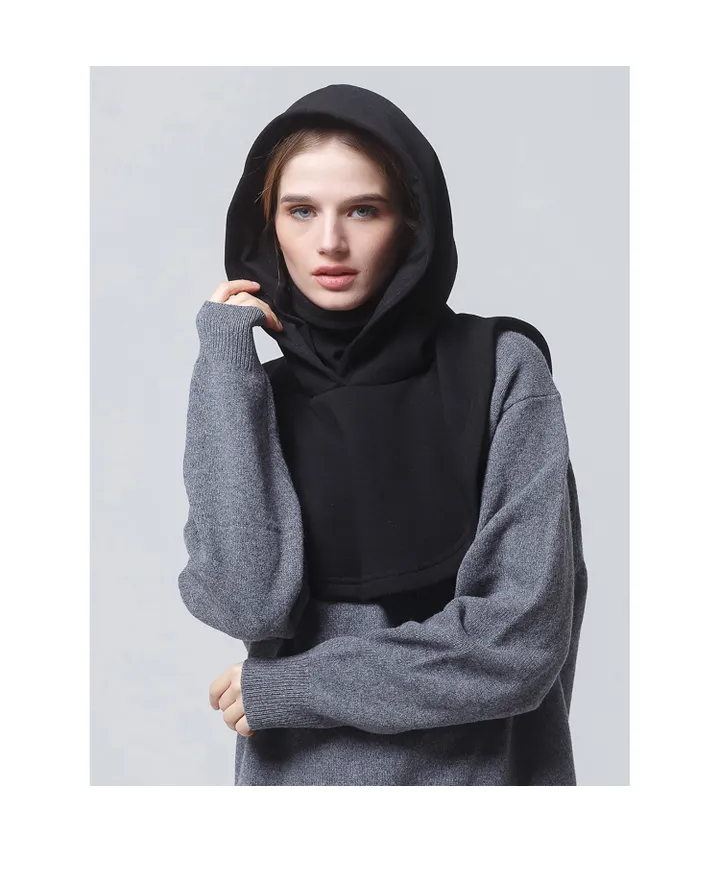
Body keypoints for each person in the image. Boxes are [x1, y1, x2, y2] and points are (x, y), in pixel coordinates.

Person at [178, 83, 589, 786]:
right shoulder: (251, 395)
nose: (330, 242)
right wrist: (222, 361)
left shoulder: (500, 371)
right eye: (301, 211)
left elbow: (517, 645)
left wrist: (294, 687)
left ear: (411, 223)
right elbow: (246, 601)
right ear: (267, 228)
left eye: (363, 210)